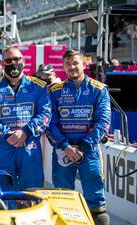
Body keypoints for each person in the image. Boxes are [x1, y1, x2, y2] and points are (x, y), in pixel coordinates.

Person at [47, 49, 111, 225]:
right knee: (62, 197)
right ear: (63, 67)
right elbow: (50, 123)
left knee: (96, 200)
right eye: (68, 64)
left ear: (84, 64)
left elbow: (103, 122)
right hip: (63, 150)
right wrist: (66, 146)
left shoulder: (99, 89)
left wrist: (83, 147)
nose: (72, 67)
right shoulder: (54, 91)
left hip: (88, 151)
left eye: (75, 63)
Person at [0, 47, 51, 192]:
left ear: (23, 61)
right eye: (8, 61)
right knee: (3, 192)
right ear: (3, 64)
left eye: (16, 59)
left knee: (33, 193)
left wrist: (25, 132)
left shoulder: (38, 87)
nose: (13, 63)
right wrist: (7, 134)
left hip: (30, 147)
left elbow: (46, 114)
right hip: (3, 147)